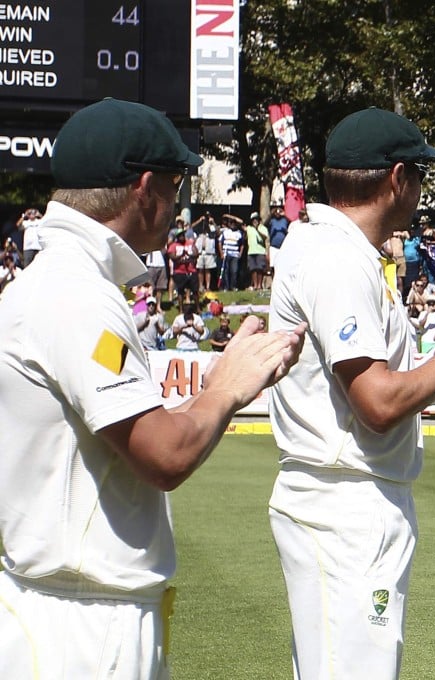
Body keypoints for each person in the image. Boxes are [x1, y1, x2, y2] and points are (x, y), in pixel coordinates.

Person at [0, 98, 305, 680]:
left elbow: (128, 431)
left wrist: (218, 382)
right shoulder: (79, 295)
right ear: (145, 189)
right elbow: (165, 455)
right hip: (85, 626)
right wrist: (228, 391)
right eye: (175, 184)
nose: (178, 202)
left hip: (69, 613)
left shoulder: (58, 282)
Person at [266, 107, 435, 680]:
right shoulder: (338, 259)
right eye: (419, 174)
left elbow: (381, 380)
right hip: (346, 503)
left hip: (347, 497)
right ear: (397, 179)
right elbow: (378, 404)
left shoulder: (336, 250)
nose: (421, 189)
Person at [245, 211, 270, 291]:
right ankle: (255, 285)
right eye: (253, 220)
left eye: (256, 219)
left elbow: (265, 237)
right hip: (251, 251)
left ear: (259, 220)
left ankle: (259, 285)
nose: (255, 221)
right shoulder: (249, 228)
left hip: (260, 251)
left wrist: (257, 230)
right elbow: (240, 223)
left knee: (260, 269)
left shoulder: (263, 228)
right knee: (253, 269)